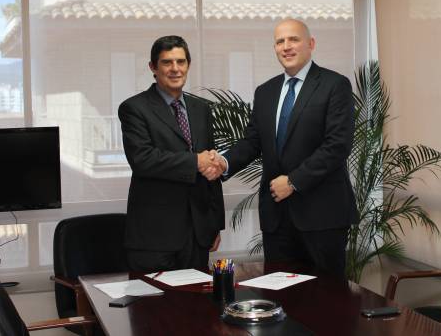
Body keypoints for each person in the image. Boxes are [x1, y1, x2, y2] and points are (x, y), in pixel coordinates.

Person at [220, 18, 357, 277]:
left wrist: (293, 181)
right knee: (280, 293)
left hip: (322, 217)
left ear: (311, 44)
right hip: (277, 218)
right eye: (280, 41)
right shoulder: (265, 92)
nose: (286, 46)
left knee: (326, 295)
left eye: (293, 39)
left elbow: (337, 145)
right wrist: (224, 163)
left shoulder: (334, 85)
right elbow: (253, 141)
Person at [118, 35, 225, 272]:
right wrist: (195, 161)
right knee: (153, 298)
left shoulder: (202, 109)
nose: (175, 69)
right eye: (167, 62)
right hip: (154, 237)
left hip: (197, 234)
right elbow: (143, 159)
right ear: (153, 67)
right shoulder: (134, 108)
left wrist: (215, 225)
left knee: (196, 296)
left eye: (181, 61)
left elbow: (212, 170)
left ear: (188, 65)